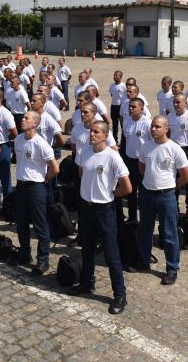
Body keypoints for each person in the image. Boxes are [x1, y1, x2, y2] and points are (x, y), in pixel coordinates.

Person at [69, 121, 131, 315]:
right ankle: (87, 283)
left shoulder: (113, 157)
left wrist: (110, 194)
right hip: (86, 208)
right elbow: (81, 172)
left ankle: (119, 294)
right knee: (87, 249)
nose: (92, 134)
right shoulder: (85, 151)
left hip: (104, 209)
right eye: (91, 131)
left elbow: (127, 187)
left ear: (105, 135)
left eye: (96, 132)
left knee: (111, 254)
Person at [133, 116, 188, 286]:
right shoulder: (146, 147)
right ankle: (144, 260)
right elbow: (142, 167)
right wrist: (150, 182)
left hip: (167, 196)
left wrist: (170, 187)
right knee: (145, 229)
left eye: (157, 127)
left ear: (166, 129)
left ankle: (172, 269)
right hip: (147, 194)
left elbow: (185, 175)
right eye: (152, 126)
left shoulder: (174, 149)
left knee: (170, 233)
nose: (153, 129)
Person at [9, 111, 59, 276]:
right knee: (21, 222)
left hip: (36, 187)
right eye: (23, 117)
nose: (22, 120)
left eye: (26, 118)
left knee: (40, 224)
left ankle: (43, 260)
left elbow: (54, 168)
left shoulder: (41, 144)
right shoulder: (18, 140)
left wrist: (44, 180)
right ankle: (24, 253)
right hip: (21, 186)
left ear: (35, 124)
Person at [120, 98, 151, 223]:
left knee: (143, 193)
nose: (131, 109)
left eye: (134, 107)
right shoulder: (127, 121)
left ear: (142, 109)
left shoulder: (147, 123)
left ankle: (145, 219)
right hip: (129, 161)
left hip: (143, 162)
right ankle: (132, 218)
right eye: (130, 107)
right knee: (131, 192)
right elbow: (125, 140)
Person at [109, 70, 126, 141]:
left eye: (116, 75)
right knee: (114, 124)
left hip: (121, 106)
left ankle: (123, 140)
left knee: (123, 124)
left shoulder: (123, 86)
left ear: (121, 77)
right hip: (113, 106)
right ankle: (115, 139)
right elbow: (111, 95)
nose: (114, 76)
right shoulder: (112, 86)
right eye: (114, 75)